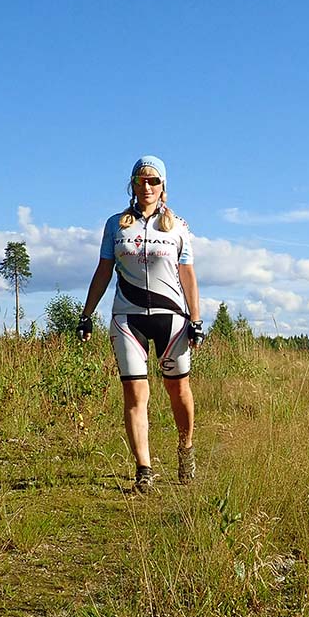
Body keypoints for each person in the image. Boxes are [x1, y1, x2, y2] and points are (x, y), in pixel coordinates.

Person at [79, 155, 205, 492]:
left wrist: (196, 319)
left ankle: (186, 448)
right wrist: (86, 315)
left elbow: (188, 275)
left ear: (163, 186)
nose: (147, 186)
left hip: (171, 319)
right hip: (127, 316)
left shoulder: (178, 226)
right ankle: (144, 469)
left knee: (178, 389)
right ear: (132, 185)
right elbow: (103, 271)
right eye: (141, 180)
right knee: (135, 393)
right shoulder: (115, 225)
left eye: (153, 181)